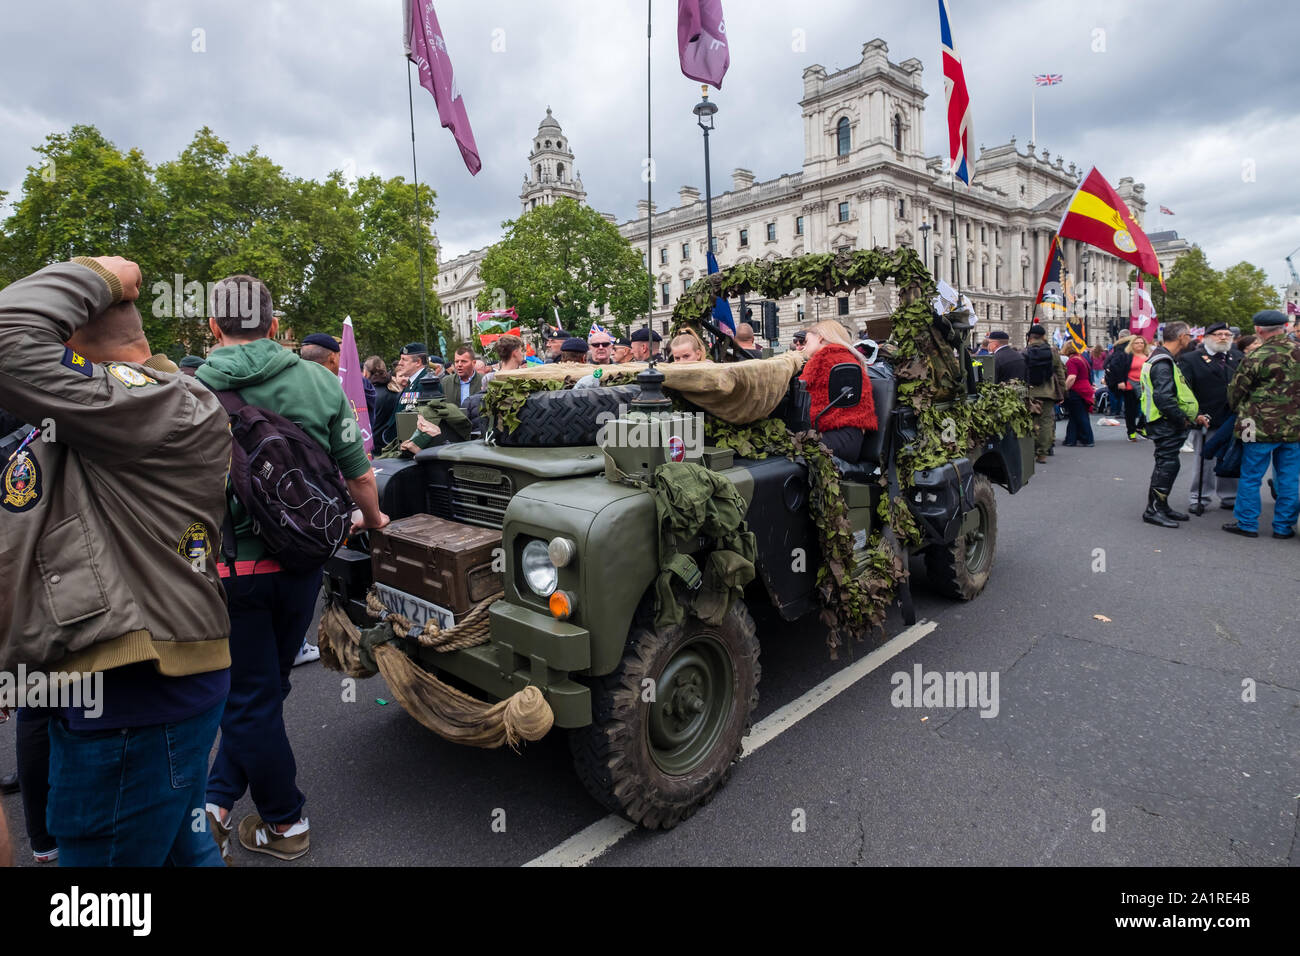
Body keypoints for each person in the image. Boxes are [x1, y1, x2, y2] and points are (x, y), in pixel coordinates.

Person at [0, 255, 232, 867]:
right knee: (185, 850)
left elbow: (5, 338)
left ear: (68, 336)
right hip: (128, 688)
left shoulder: (147, 403)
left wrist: (94, 273)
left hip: (134, 699)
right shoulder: (116, 410)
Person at [198, 274, 389, 862]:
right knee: (266, 688)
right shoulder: (317, 379)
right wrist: (375, 520)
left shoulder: (191, 389)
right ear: (275, 325)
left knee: (254, 694)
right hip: (304, 559)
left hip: (232, 567)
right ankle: (223, 803)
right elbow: (358, 471)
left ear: (213, 327)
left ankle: (284, 823)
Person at [1222, 310, 1300, 538]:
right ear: (1285, 326)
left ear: (1258, 330)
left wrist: (1239, 408)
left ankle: (1247, 523)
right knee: (1289, 477)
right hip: (1294, 426)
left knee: (1250, 475)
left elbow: (1235, 391)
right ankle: (1284, 527)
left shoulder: (1256, 356)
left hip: (1254, 424)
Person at [1139, 321, 1208, 528]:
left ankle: (1161, 506)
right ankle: (1153, 510)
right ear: (1181, 337)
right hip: (1164, 423)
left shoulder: (1163, 358)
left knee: (1168, 464)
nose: (1192, 338)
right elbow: (1164, 398)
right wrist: (1181, 419)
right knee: (1166, 465)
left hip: (1162, 421)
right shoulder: (1162, 362)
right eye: (1189, 334)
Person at [1177, 322, 1244, 513]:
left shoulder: (1238, 357)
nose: (1223, 337)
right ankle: (1200, 497)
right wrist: (1194, 414)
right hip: (1206, 416)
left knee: (1231, 457)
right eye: (1218, 334)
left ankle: (1229, 496)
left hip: (1233, 417)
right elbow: (1185, 390)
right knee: (1205, 460)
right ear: (1207, 337)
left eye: (1226, 334)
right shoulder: (1191, 359)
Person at [799, 319, 877, 462]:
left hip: (836, 439)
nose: (804, 345)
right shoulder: (844, 358)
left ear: (820, 338)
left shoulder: (825, 359)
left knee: (789, 448)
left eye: (806, 340)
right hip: (849, 439)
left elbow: (803, 399)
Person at [1023, 324, 1066, 463]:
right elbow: (1060, 373)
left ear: (1030, 338)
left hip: (1030, 392)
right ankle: (1043, 452)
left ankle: (1030, 448)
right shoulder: (1052, 351)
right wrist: (1063, 391)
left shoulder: (1025, 351)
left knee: (1030, 421)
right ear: (1043, 336)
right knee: (1046, 422)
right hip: (1048, 392)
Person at [1107, 334, 1148, 441]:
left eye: (1141, 343)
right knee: (1131, 410)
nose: (1139, 345)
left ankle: (1140, 426)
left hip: (1145, 384)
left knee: (1147, 408)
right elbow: (1116, 366)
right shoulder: (1126, 355)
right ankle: (1131, 432)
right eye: (1136, 343)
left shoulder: (1148, 355)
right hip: (1130, 384)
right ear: (1132, 344)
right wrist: (1120, 381)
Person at [1060, 342, 1096, 447]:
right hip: (1085, 388)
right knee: (1076, 415)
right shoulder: (1081, 359)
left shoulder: (1072, 361)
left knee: (1080, 415)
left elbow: (1072, 377)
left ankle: (1088, 439)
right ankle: (1071, 439)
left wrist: (1064, 390)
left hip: (1077, 390)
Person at [392, 342, 441, 412]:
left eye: (404, 359)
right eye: (400, 359)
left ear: (418, 362)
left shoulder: (428, 384)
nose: (400, 363)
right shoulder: (412, 382)